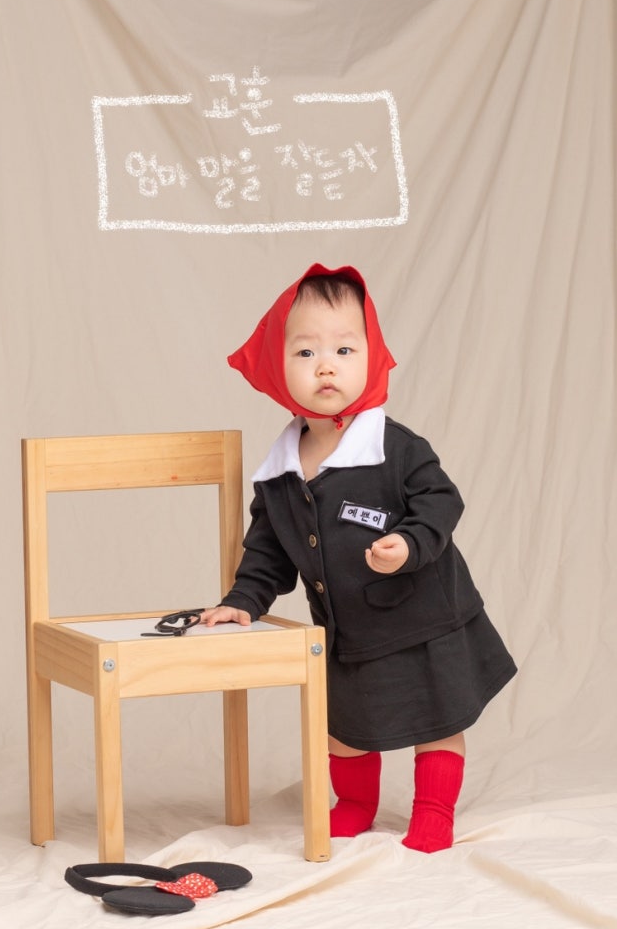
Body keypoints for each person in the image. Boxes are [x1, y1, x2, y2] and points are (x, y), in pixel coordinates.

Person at [201, 262, 517, 852]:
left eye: (344, 349)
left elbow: (441, 502)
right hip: (347, 631)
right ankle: (353, 804)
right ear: (276, 367)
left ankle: (433, 811)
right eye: (305, 352)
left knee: (438, 720)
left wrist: (410, 543)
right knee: (343, 730)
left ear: (371, 359)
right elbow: (267, 552)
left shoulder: (396, 448)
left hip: (425, 620)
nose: (326, 366)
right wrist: (242, 600)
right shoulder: (279, 474)